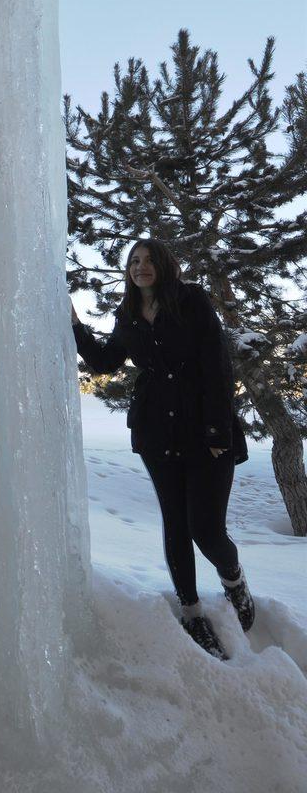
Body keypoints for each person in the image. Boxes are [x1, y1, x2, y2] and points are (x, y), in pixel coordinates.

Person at [71, 238, 254, 660]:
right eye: (134, 261)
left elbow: (217, 365)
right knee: (175, 524)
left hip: (204, 432)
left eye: (149, 259)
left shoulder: (191, 301)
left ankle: (234, 580)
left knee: (205, 528)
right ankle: (190, 611)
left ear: (165, 265)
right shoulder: (129, 315)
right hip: (156, 432)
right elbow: (103, 362)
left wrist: (216, 433)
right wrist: (76, 327)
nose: (141, 266)